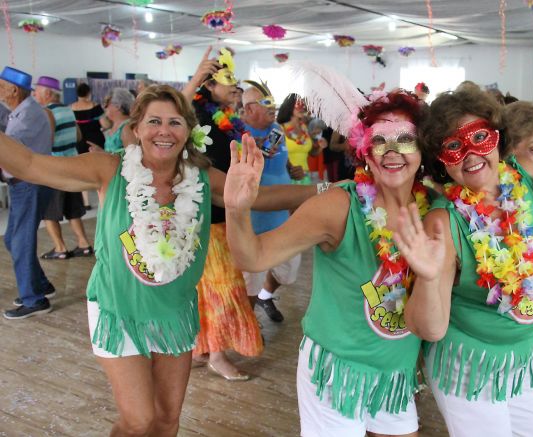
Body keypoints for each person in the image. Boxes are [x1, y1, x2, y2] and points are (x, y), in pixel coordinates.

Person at [0, 84, 317, 434]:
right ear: (136, 129)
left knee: (167, 419)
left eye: (175, 122)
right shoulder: (109, 168)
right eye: (154, 121)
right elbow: (29, 164)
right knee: (139, 421)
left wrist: (325, 190)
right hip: (118, 309)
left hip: (174, 312)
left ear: (188, 131)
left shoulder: (200, 177)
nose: (164, 131)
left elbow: (259, 197)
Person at [226, 90, 430, 437]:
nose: (393, 151)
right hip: (335, 371)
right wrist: (236, 208)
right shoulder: (337, 206)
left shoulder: (436, 210)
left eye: (405, 139)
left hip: (396, 374)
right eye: (379, 140)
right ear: (364, 150)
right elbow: (253, 257)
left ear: (423, 148)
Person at [393, 88, 533, 437]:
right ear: (441, 161)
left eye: (479, 136)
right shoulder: (443, 222)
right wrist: (430, 277)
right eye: (453, 146)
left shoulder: (526, 178)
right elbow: (430, 329)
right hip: (470, 367)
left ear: (498, 139)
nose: (469, 154)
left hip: (529, 358)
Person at [184, 46, 260, 380]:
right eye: (226, 79)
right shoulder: (197, 115)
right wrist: (195, 77)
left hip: (222, 211)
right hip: (203, 214)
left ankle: (201, 347)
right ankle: (216, 353)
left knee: (208, 286)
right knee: (220, 286)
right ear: (208, 87)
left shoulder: (226, 120)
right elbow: (173, 113)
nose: (235, 86)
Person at [240, 81, 304, 323]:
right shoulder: (239, 133)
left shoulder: (277, 128)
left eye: (272, 101)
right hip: (254, 219)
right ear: (248, 110)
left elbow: (278, 159)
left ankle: (266, 297)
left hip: (282, 216)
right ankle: (250, 324)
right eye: (265, 102)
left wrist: (292, 169)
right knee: (250, 282)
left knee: (288, 272)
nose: (273, 107)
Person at [0, 66, 55, 319]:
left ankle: (35, 299)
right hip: (25, 184)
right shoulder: (21, 111)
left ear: (14, 89)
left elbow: (9, 151)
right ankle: (40, 284)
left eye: (1, 87)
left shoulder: (26, 116)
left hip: (29, 184)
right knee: (13, 238)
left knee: (21, 241)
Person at [32, 75, 94, 260]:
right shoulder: (68, 110)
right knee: (73, 208)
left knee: (48, 211)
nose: (34, 94)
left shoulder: (47, 112)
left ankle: (60, 248)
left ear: (48, 93)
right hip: (72, 165)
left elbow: (46, 142)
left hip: (55, 168)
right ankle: (83, 244)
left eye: (37, 91)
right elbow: (77, 136)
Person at [72, 82, 106, 209]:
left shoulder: (72, 108)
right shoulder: (95, 106)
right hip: (96, 141)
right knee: (99, 171)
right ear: (88, 93)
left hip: (80, 142)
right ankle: (102, 199)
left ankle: (86, 202)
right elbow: (105, 124)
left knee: (83, 171)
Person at [278, 94, 315, 185]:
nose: (303, 107)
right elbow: (267, 151)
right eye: (299, 104)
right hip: (287, 179)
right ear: (289, 106)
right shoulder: (279, 128)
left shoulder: (305, 128)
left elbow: (311, 153)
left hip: (306, 178)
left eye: (304, 105)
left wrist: (320, 147)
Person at [102, 87, 137, 153]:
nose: (104, 107)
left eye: (107, 104)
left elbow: (132, 158)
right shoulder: (117, 126)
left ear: (117, 106)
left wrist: (102, 153)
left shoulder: (127, 128)